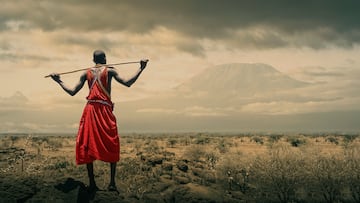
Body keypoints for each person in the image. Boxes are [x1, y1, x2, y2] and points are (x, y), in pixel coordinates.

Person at [50, 50, 148, 193]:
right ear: (105, 58)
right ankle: (112, 183)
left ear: (93, 60)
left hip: (90, 110)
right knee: (112, 142)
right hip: (104, 110)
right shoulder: (111, 71)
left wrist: (59, 81)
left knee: (88, 144)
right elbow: (128, 83)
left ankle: (92, 184)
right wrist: (141, 68)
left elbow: (72, 91)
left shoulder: (85, 73)